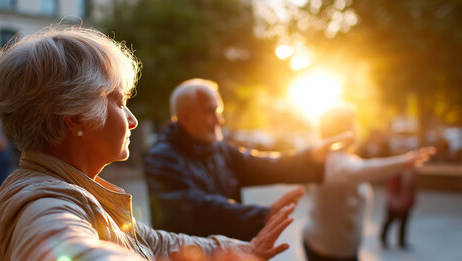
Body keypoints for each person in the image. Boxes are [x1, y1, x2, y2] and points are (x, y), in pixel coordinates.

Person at [0, 26, 295, 261]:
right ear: (74, 117)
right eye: (118, 100)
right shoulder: (41, 203)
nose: (132, 119)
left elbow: (154, 244)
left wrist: (242, 249)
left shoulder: (76, 190)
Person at [302, 106, 434, 261]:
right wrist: (403, 162)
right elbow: (364, 172)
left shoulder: (345, 159)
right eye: (350, 124)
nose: (355, 129)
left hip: (343, 248)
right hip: (323, 248)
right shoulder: (331, 163)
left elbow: (360, 169)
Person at [144, 78, 336, 243]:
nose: (220, 120)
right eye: (211, 111)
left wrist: (310, 157)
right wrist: (260, 215)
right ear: (186, 116)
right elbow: (196, 208)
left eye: (219, 111)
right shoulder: (161, 158)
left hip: (225, 260)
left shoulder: (219, 149)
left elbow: (262, 166)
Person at [379, 165, 418, 249]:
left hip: (405, 203)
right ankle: (383, 239)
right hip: (395, 203)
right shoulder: (396, 173)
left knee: (404, 223)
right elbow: (390, 188)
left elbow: (412, 189)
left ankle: (402, 242)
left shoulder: (411, 174)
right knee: (389, 221)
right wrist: (393, 202)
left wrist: (411, 201)